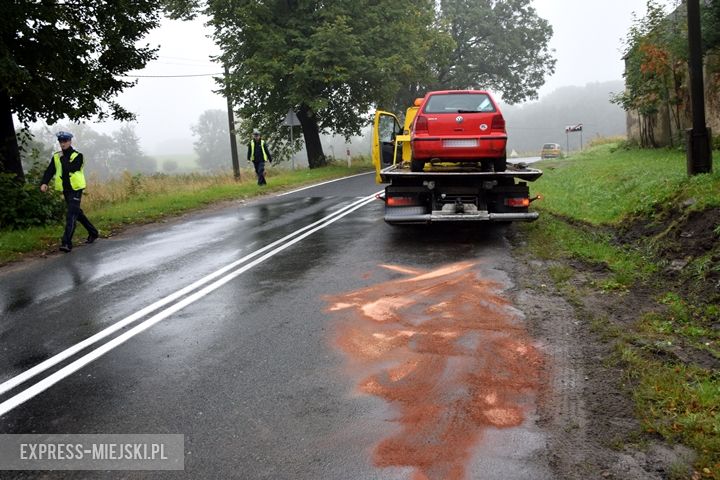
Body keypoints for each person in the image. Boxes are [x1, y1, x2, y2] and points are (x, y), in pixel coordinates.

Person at [40, 131, 99, 253]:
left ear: (70, 141)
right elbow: (50, 170)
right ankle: (93, 232)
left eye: (65, 141)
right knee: (77, 213)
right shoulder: (56, 156)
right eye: (60, 141)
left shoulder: (78, 156)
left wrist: (63, 158)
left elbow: (70, 168)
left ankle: (66, 243)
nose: (62, 144)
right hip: (66, 189)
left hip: (76, 189)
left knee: (71, 215)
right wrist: (44, 182)